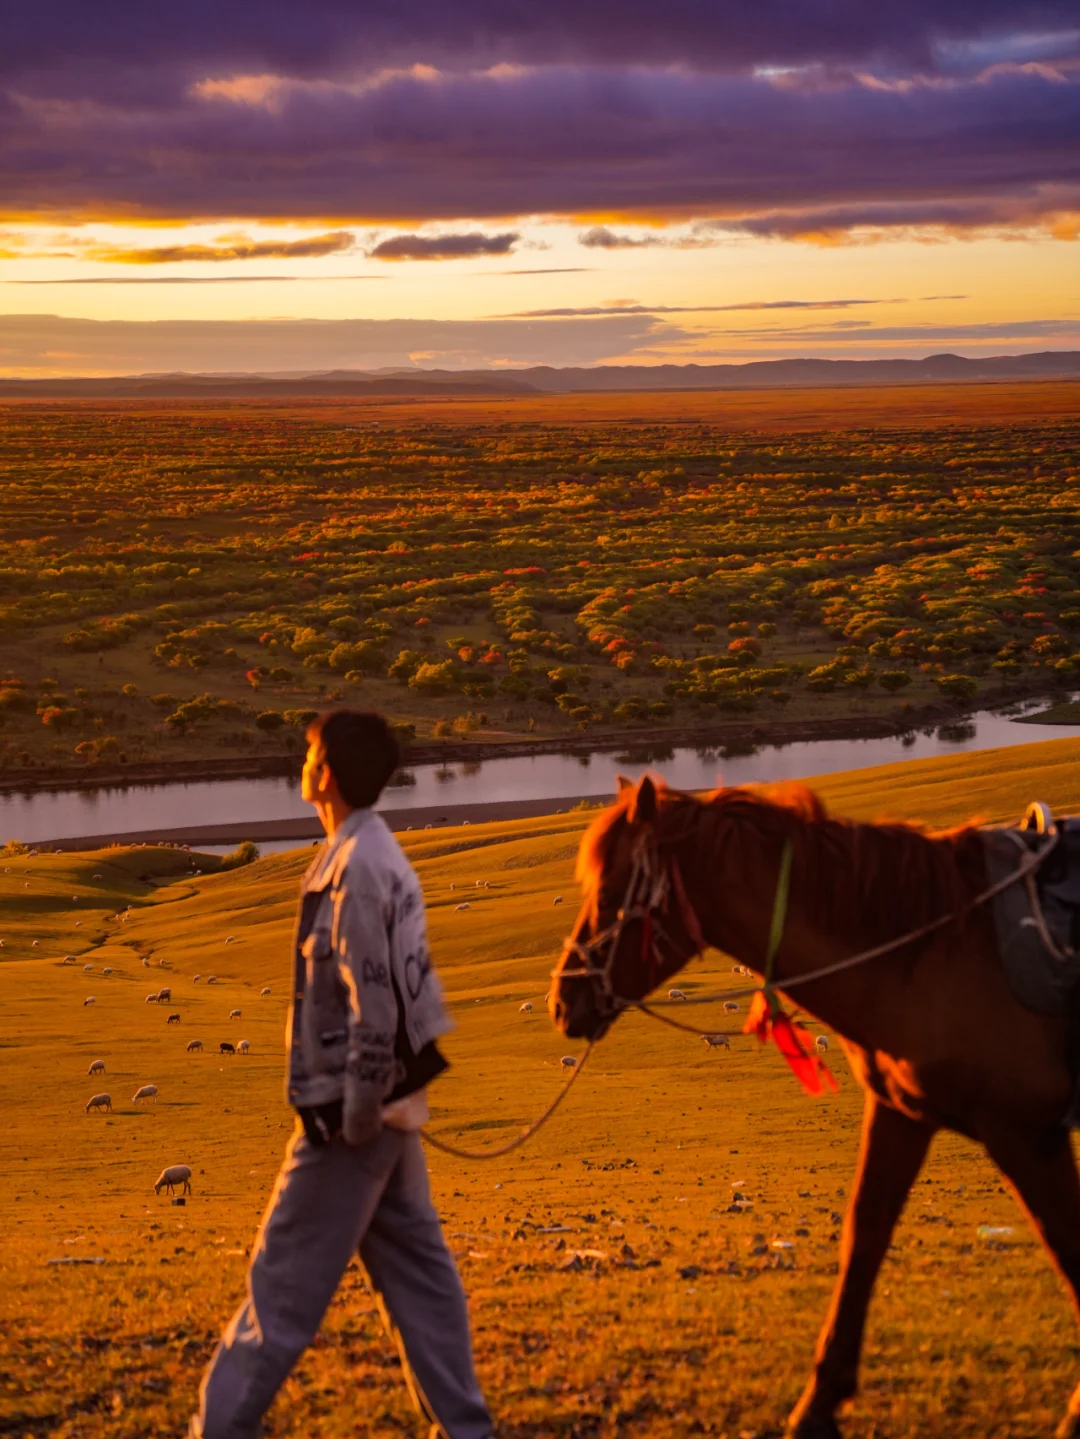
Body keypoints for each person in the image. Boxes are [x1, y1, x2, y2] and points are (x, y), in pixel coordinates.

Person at [191, 709, 494, 1439]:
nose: (301, 762)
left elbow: (373, 996)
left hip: (351, 1112)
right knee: (421, 1277)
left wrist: (354, 1116)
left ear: (325, 774)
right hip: (387, 1108)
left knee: (280, 1284)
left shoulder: (357, 868)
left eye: (309, 753)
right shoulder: (367, 851)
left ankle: (218, 1428)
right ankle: (467, 1427)